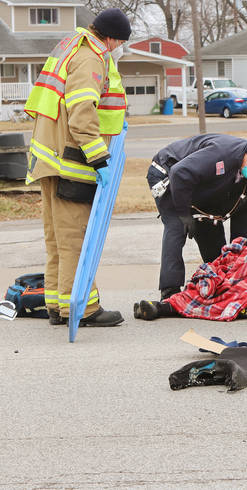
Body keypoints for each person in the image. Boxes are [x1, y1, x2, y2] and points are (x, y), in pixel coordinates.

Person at [24, 8, 131, 327]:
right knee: (76, 239)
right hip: (70, 162)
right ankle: (81, 308)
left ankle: (57, 306)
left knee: (58, 239)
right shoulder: (90, 57)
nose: (119, 48)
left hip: (51, 159)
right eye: (121, 42)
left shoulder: (73, 46)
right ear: (111, 37)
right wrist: (99, 158)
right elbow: (82, 111)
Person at [147, 134, 247, 300]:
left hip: (197, 183)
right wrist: (184, 214)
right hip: (168, 172)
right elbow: (180, 173)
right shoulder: (222, 154)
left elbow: (246, 216)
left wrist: (237, 254)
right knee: (177, 225)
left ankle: (219, 280)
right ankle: (170, 289)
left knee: (210, 225)